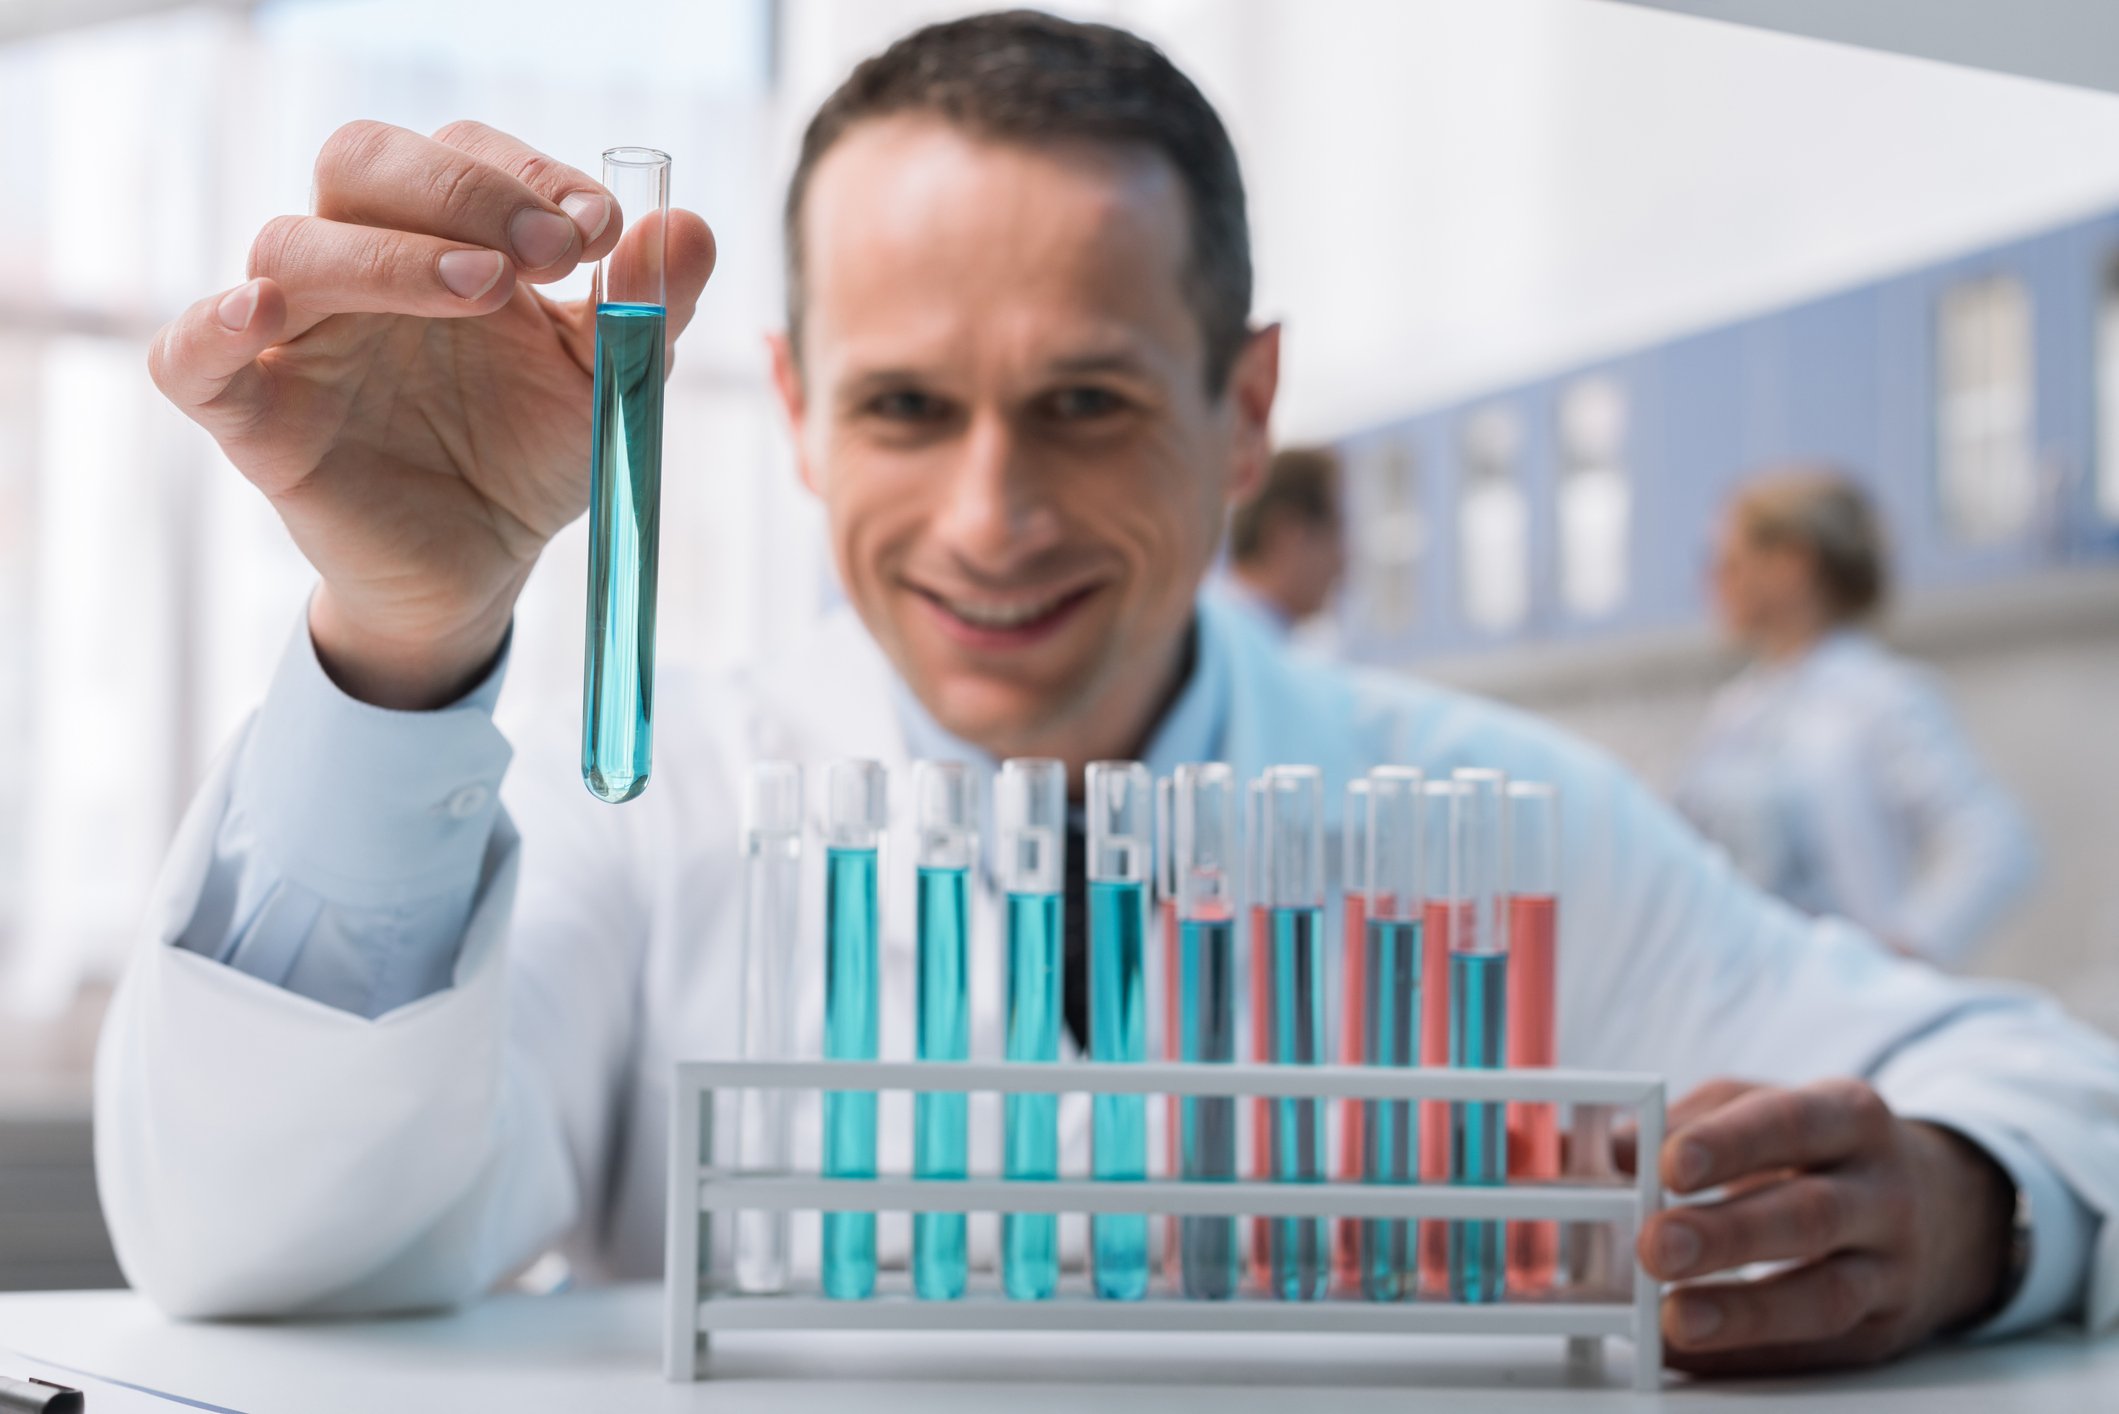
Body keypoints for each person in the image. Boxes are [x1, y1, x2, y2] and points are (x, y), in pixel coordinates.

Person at [102, 11, 2115, 1373]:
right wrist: (400, 634)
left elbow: (2040, 1090)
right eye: (907, 404)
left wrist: (1956, 1210)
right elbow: (283, 1259)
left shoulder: (1489, 811)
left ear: (1243, 408)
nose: (992, 518)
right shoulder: (670, 791)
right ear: (795, 408)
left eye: (1085, 400)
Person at [1675, 468, 2036, 966]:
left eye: (1730, 562)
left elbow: (1996, 843)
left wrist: (1901, 951)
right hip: (1747, 1006)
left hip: (1842, 1010)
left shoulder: (1885, 698)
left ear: (1791, 564)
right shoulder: (1735, 711)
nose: (1713, 580)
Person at [1218, 444, 1347, 637]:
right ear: (1287, 535)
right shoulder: (1244, 646)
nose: (1340, 563)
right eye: (1332, 536)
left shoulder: (1223, 628)